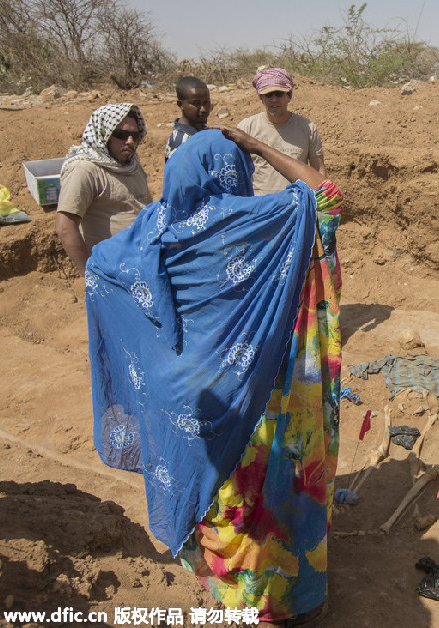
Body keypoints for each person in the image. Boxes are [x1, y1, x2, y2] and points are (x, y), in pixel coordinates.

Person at [85, 128, 343, 627]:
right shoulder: (257, 222)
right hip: (251, 386)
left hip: (185, 395)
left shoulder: (150, 227)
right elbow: (327, 196)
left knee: (214, 490)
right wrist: (261, 146)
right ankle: (279, 601)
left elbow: (98, 269)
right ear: (235, 171)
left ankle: (224, 586)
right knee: (263, 484)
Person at [55, 103, 152, 272]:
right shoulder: (85, 169)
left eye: (135, 136)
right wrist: (90, 275)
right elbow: (65, 227)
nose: (130, 142)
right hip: (111, 270)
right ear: (104, 134)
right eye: (121, 135)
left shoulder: (131, 164)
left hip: (144, 263)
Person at [238, 67, 327, 195]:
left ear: (289, 95)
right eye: (268, 95)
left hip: (296, 204)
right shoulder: (247, 128)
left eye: (279, 94)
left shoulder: (307, 128)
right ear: (261, 97)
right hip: (260, 204)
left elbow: (318, 170)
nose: (274, 99)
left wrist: (322, 199)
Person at [164, 76, 212, 160]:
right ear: (180, 104)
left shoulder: (200, 129)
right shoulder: (182, 142)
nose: (203, 109)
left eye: (206, 102)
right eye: (196, 103)